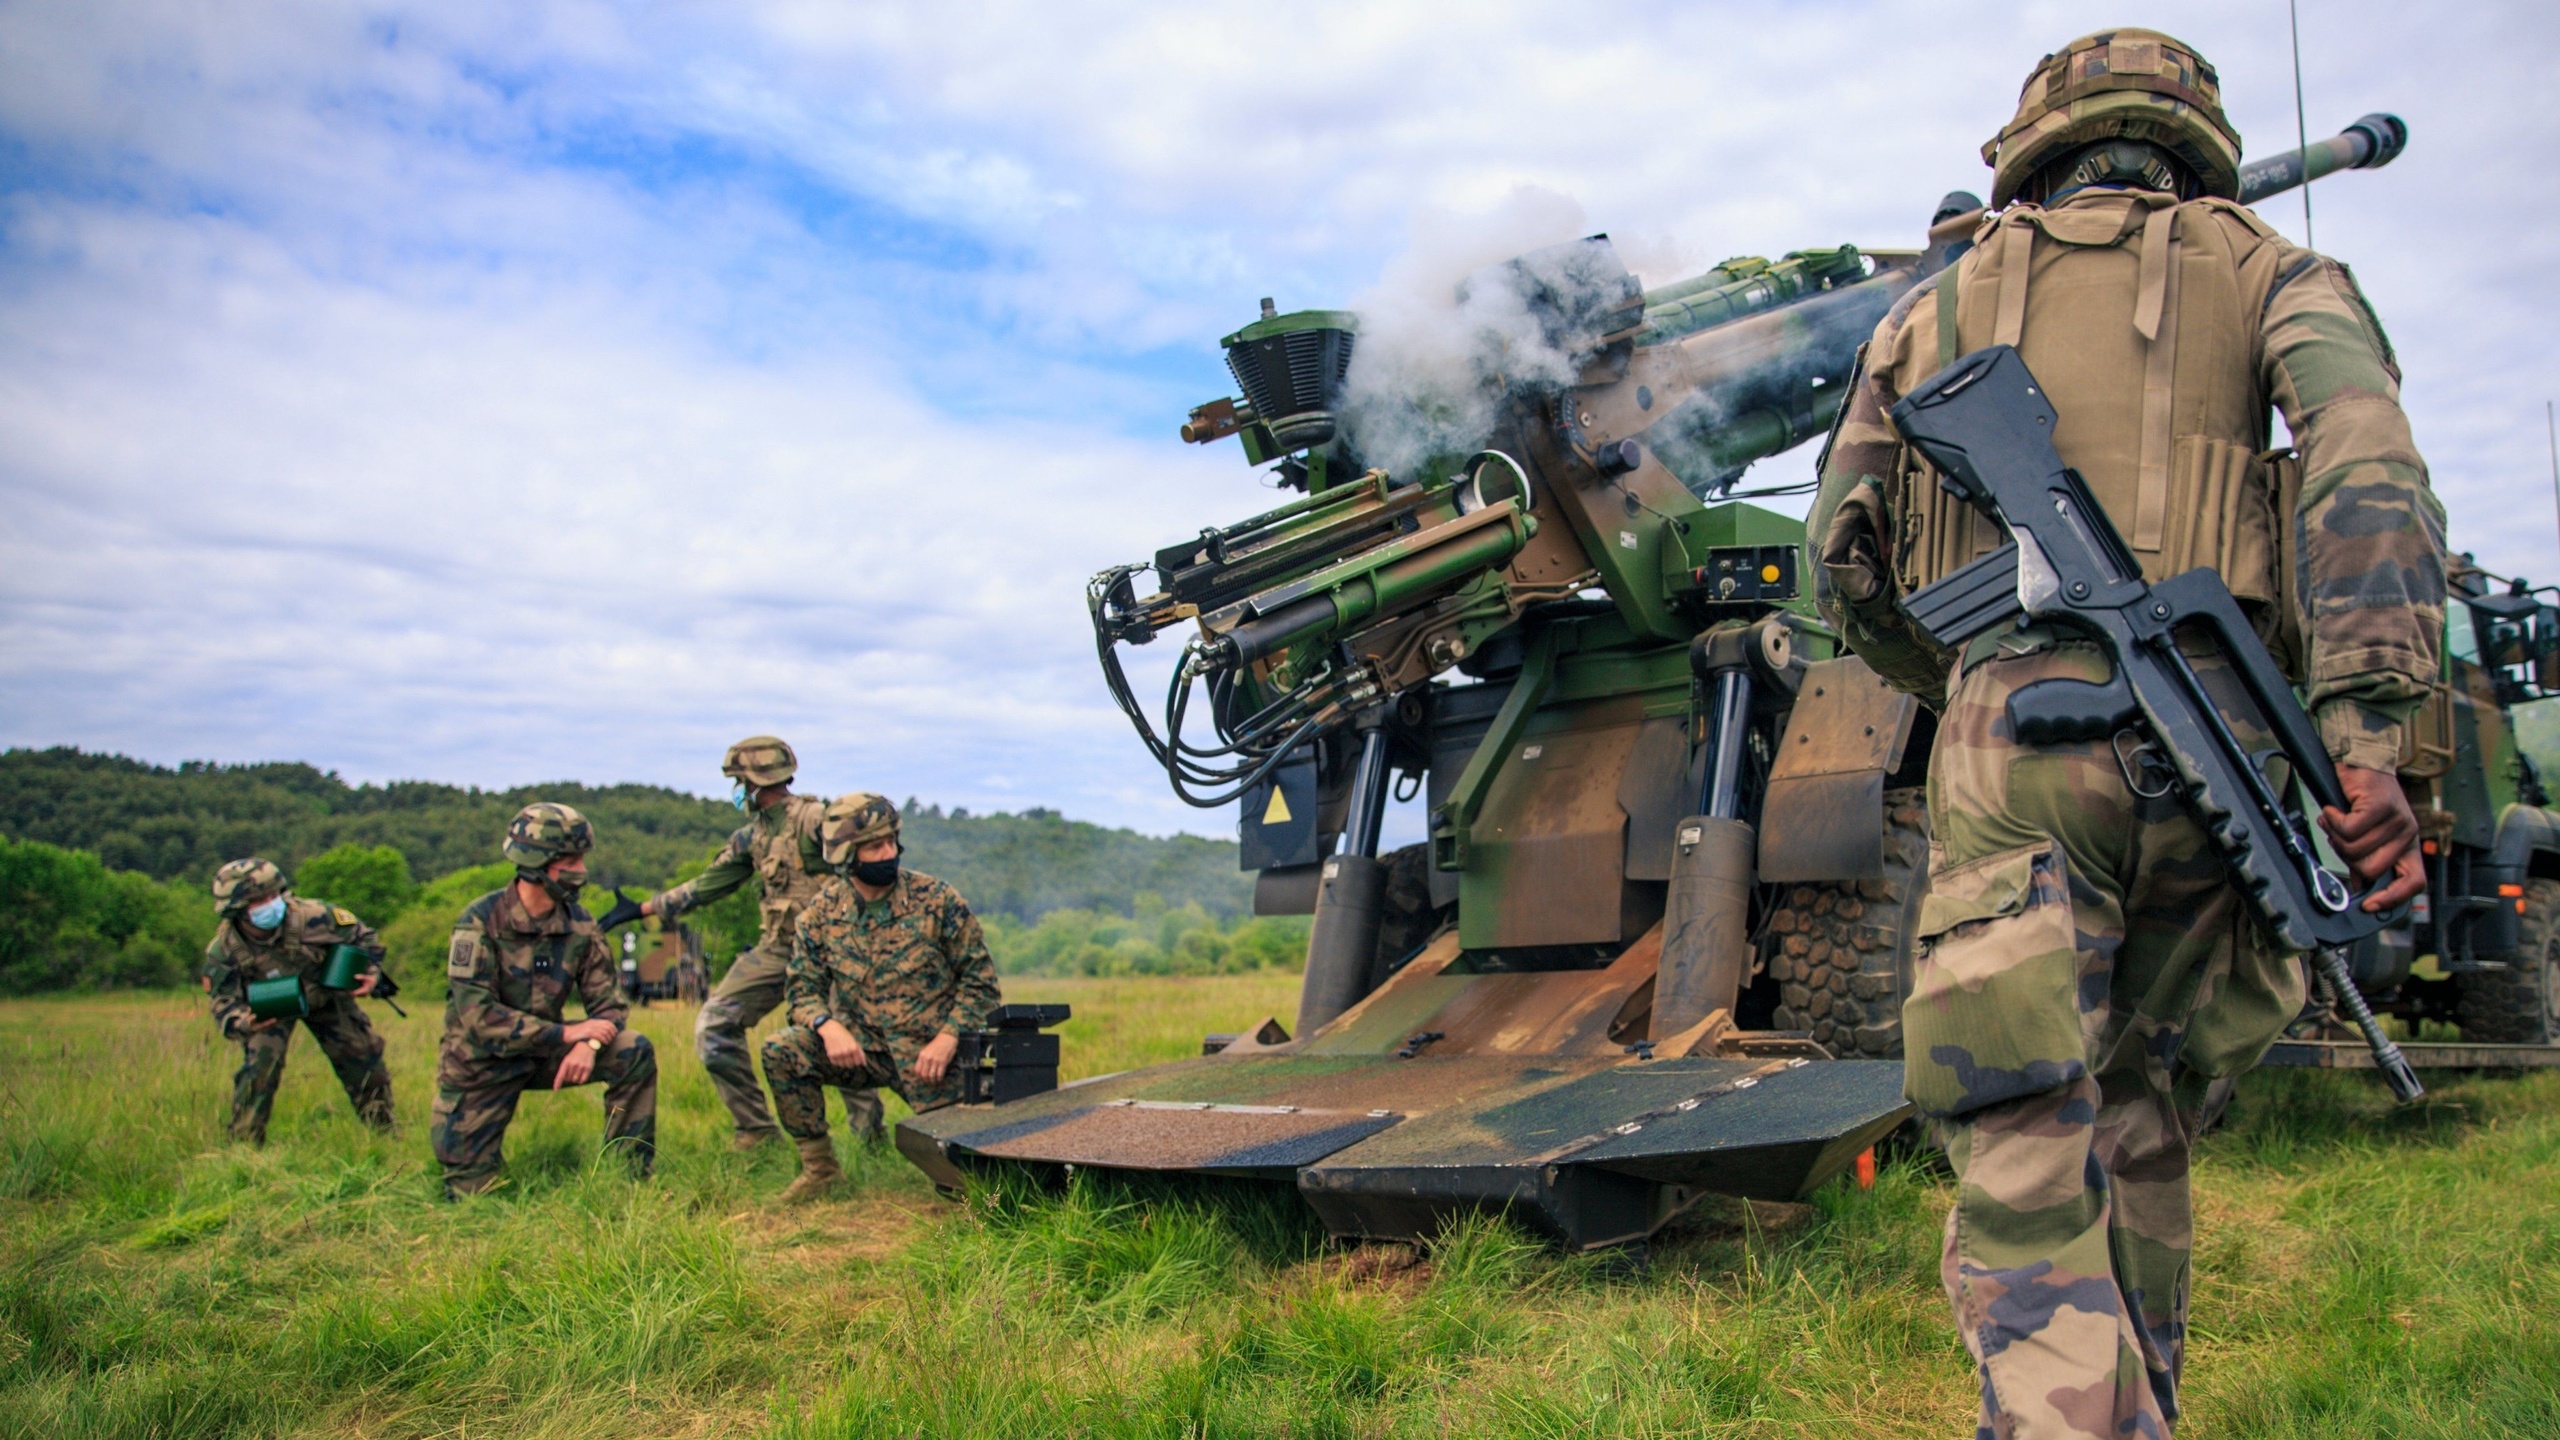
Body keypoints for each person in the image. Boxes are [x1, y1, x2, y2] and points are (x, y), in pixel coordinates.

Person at [1808, 28, 2441, 1437]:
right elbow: (2370, 471)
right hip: (2219, 729)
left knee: (2030, 1138)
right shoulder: (2281, 272)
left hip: (2017, 754)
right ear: (2192, 142)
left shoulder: (1937, 306)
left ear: (2034, 143)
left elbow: (1841, 557)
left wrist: (1963, 674)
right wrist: (2366, 733)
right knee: (2143, 1123)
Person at [601, 736, 879, 1148]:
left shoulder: (815, 820)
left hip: (835, 953)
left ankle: (867, 1143)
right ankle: (757, 1131)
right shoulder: (752, 837)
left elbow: (868, 862)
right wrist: (643, 909)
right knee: (714, 1026)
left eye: (737, 781)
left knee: (842, 1040)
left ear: (751, 782)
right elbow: (708, 885)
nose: (736, 791)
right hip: (779, 950)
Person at [763, 792, 1000, 1201]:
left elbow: (981, 985)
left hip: (934, 1057)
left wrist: (949, 1037)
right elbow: (802, 991)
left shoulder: (937, 901)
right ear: (845, 854)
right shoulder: (820, 916)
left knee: (968, 1188)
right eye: (875, 846)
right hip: (864, 1050)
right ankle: (820, 1171)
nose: (888, 852)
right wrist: (827, 1025)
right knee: (782, 1050)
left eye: (892, 840)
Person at [432, 802, 657, 1198]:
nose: (581, 870)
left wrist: (588, 1044)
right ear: (536, 864)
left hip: (544, 1054)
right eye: (569, 860)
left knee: (632, 1049)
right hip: (482, 1064)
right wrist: (566, 1034)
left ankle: (629, 1180)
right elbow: (480, 1019)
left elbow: (610, 1005)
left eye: (582, 858)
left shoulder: (580, 924)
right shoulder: (479, 922)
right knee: (470, 1196)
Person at [201, 857, 395, 1144]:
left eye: (273, 894)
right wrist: (245, 1021)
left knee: (363, 1055)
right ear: (237, 910)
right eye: (259, 900)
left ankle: (384, 1134)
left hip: (325, 994)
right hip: (269, 1007)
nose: (271, 903)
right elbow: (223, 1003)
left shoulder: (316, 916)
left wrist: (371, 974)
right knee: (259, 1068)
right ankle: (244, 1148)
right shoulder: (225, 950)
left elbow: (365, 939)